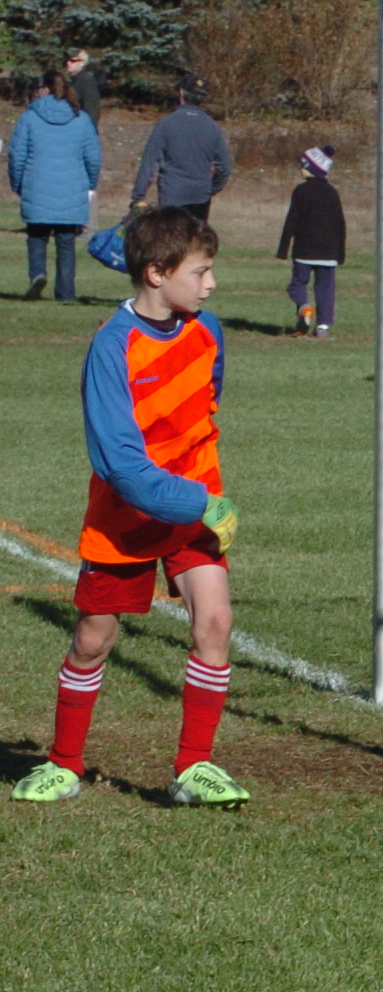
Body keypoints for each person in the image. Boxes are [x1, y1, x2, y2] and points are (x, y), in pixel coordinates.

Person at [10, 209, 247, 808]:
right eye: (201, 271)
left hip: (194, 506)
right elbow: (120, 464)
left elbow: (208, 401)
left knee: (215, 622)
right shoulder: (111, 347)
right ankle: (64, 763)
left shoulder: (208, 330)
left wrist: (199, 494)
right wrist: (198, 500)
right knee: (93, 638)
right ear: (157, 273)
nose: (211, 284)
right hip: (129, 516)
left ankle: (194, 767)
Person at [6, 71, 101, 303]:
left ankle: (38, 274)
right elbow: (93, 157)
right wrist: (90, 184)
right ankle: (66, 293)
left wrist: (18, 184)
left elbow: (16, 156)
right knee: (66, 242)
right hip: (72, 187)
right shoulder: (81, 118)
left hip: (37, 185)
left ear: (45, 89)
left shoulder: (29, 117)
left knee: (36, 237)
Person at [129, 73, 231, 223]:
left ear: (181, 94)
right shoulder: (213, 127)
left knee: (171, 236)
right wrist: (209, 189)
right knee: (195, 237)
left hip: (172, 195)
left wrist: (138, 197)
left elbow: (149, 163)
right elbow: (224, 168)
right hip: (200, 198)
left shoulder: (166, 124)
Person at [276, 145, 345, 336]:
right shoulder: (332, 192)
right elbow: (340, 224)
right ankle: (323, 326)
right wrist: (340, 254)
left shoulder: (301, 191)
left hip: (304, 251)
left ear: (311, 168)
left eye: (303, 164)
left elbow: (292, 220)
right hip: (329, 253)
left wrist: (283, 249)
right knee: (326, 289)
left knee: (297, 284)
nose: (300, 168)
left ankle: (304, 307)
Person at [64, 51, 103, 126]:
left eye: (73, 60)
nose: (68, 63)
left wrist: (87, 130)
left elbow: (92, 111)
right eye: (67, 60)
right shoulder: (74, 81)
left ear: (82, 63)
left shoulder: (87, 82)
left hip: (82, 128)